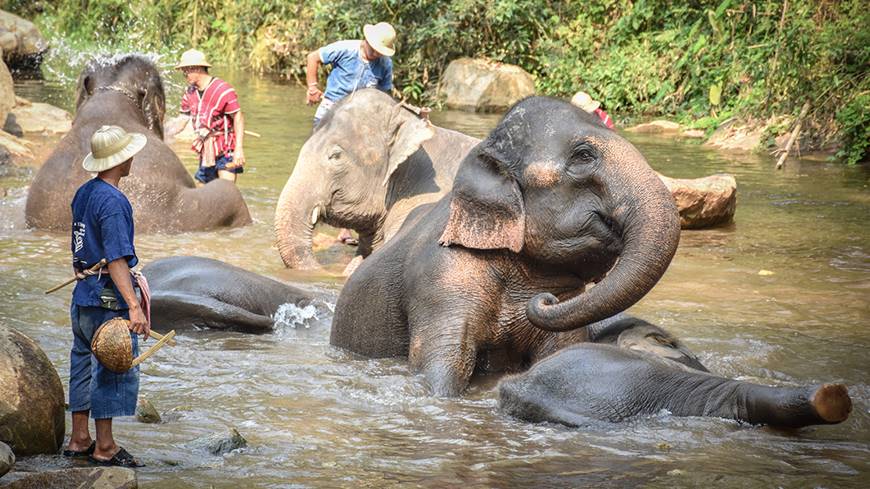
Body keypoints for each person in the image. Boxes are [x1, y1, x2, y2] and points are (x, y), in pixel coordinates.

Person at [65, 125, 149, 468]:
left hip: (82, 295)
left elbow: (79, 243)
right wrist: (134, 307)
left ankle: (78, 438)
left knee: (82, 364)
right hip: (106, 301)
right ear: (122, 159)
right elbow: (116, 258)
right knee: (111, 368)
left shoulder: (84, 192)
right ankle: (105, 446)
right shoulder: (114, 202)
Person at [306, 22, 396, 244]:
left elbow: (383, 96)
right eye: (373, 49)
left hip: (359, 123)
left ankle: (345, 229)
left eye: (379, 51)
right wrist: (312, 86)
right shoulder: (345, 49)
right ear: (366, 40)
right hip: (330, 114)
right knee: (317, 169)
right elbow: (313, 57)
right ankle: (308, 223)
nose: (375, 54)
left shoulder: (384, 64)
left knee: (354, 173)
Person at [174, 49, 246, 185]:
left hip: (226, 149)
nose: (184, 75)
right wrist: (164, 134)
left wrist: (239, 149)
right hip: (206, 150)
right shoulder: (189, 93)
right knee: (203, 197)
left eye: (186, 70)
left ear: (197, 68)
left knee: (225, 192)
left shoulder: (223, 90)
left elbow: (238, 116)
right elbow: (182, 120)